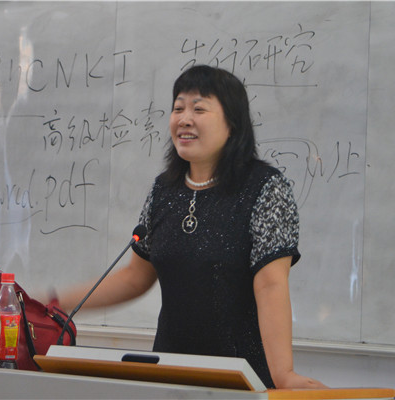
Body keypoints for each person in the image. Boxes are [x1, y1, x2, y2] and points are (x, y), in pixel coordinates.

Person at [57, 65, 326, 389]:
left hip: (241, 380)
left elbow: (270, 285)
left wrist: (284, 374)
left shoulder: (264, 188)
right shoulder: (163, 190)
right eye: (178, 108)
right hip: (169, 375)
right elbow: (134, 278)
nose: (184, 119)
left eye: (199, 109)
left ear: (232, 123)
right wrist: (54, 301)